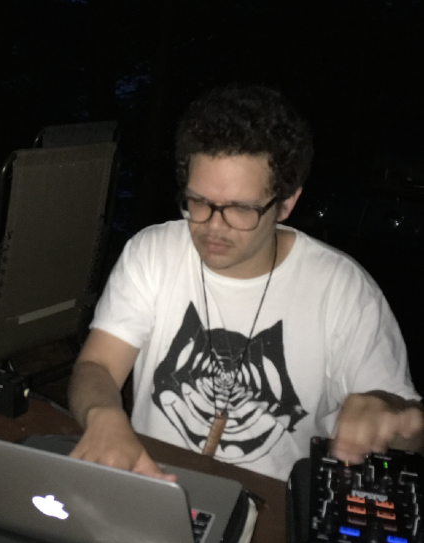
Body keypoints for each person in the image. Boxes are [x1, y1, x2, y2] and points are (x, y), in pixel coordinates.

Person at [68, 84, 424, 482]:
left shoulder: (343, 290)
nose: (213, 226)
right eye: (199, 202)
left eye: (240, 209)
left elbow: (413, 434)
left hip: (271, 514)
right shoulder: (152, 252)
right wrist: (102, 415)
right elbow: (97, 366)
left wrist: (386, 412)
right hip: (149, 482)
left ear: (287, 203)